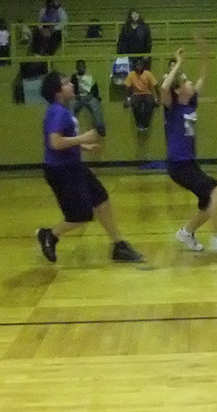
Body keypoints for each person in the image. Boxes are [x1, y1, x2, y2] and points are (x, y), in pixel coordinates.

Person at [34, 70, 145, 265]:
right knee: (81, 215)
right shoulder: (58, 112)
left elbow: (60, 140)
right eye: (67, 83)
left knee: (101, 199)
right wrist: (83, 138)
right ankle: (50, 235)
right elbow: (55, 143)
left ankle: (118, 245)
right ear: (58, 91)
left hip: (73, 166)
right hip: (61, 171)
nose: (71, 85)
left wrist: (82, 145)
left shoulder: (62, 110)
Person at [161, 43, 217, 254]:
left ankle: (186, 232)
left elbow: (204, 76)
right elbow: (163, 88)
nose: (191, 83)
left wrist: (205, 53)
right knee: (216, 190)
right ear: (178, 90)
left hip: (189, 162)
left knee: (207, 203)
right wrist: (178, 64)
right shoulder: (172, 107)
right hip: (178, 164)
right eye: (186, 82)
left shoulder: (191, 103)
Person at [70, 59, 106, 136]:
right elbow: (71, 89)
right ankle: (71, 127)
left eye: (82, 66)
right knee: (71, 105)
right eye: (79, 66)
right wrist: (76, 95)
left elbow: (95, 90)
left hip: (89, 96)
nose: (81, 67)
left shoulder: (90, 77)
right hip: (78, 97)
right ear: (76, 67)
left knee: (95, 106)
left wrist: (92, 95)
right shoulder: (74, 77)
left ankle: (100, 126)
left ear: (85, 66)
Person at [122, 56, 157, 133]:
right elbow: (127, 87)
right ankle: (139, 123)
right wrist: (126, 99)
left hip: (147, 93)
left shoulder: (148, 73)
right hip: (136, 94)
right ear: (135, 66)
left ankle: (146, 123)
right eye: (137, 65)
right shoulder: (131, 74)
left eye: (140, 65)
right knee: (135, 104)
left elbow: (155, 85)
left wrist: (157, 98)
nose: (139, 66)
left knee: (150, 103)